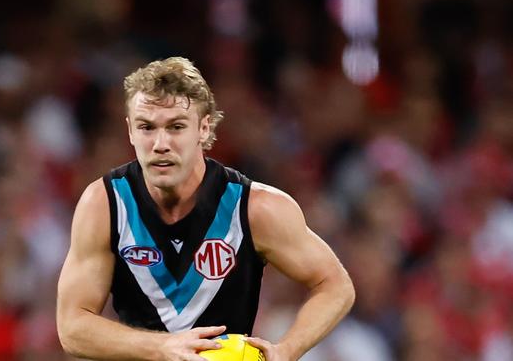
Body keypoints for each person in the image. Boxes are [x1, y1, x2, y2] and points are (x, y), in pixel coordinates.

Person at [56, 57, 355, 361]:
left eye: (176, 127)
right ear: (130, 131)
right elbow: (72, 327)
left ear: (204, 128)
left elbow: (335, 285)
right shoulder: (105, 204)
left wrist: (288, 349)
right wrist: (163, 347)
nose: (160, 143)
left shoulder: (255, 208)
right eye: (147, 127)